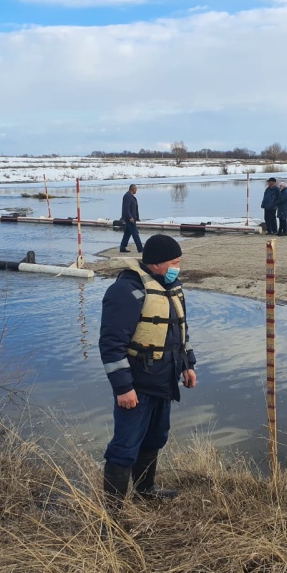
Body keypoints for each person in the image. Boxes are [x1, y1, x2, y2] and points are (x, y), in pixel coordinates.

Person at [99, 234, 197, 513]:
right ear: (155, 264)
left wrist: (188, 365)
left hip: (165, 381)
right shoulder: (126, 291)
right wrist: (123, 388)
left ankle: (145, 491)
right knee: (125, 446)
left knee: (155, 438)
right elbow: (111, 344)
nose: (178, 267)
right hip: (137, 385)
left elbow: (180, 331)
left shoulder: (171, 286)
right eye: (174, 263)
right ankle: (112, 512)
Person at [119, 184, 143, 253]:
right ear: (133, 189)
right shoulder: (127, 196)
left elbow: (134, 208)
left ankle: (122, 247)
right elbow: (126, 208)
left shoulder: (131, 196)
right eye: (136, 189)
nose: (137, 190)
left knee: (127, 233)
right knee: (135, 233)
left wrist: (137, 217)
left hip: (133, 218)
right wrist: (130, 217)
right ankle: (140, 248)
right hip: (130, 219)